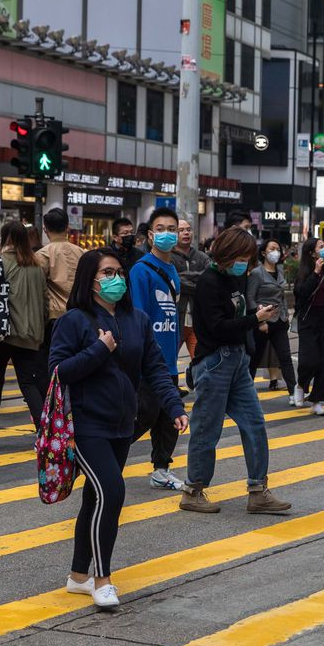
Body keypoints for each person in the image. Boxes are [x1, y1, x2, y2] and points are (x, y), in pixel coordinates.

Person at [51, 249, 187, 608]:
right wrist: (99, 349)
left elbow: (155, 367)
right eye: (107, 272)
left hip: (121, 424)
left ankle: (78, 576)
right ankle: (102, 579)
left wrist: (174, 406)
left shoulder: (136, 319)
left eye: (119, 272)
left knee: (95, 498)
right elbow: (59, 371)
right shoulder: (75, 320)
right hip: (85, 424)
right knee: (111, 492)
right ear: (90, 280)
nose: (116, 279)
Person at [179, 226, 290, 514]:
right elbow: (216, 328)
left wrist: (255, 320)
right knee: (207, 428)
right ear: (226, 254)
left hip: (238, 359)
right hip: (215, 360)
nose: (244, 263)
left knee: (254, 423)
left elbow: (237, 317)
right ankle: (193, 490)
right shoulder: (209, 282)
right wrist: (255, 319)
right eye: (240, 257)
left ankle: (258, 490)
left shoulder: (236, 278)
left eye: (247, 258)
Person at [0, 220, 48, 448]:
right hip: (30, 334)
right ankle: (42, 435)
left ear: (4, 238)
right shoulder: (37, 266)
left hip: (1, 332)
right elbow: (44, 302)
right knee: (28, 383)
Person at [129, 207, 185, 490]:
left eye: (172, 229)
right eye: (160, 229)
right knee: (144, 415)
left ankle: (161, 469)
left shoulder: (173, 269)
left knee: (168, 418)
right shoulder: (141, 270)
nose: (167, 234)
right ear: (150, 236)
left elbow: (173, 315)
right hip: (149, 361)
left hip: (169, 360)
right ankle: (99, 455)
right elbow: (138, 316)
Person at [293, 237, 324, 416]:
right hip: (307, 320)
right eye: (321, 247)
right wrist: (316, 273)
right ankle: (301, 384)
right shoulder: (304, 274)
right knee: (308, 360)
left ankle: (316, 400)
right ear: (312, 253)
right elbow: (302, 293)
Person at [247, 238, 296, 401]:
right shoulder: (256, 273)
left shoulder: (281, 271)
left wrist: (286, 315)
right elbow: (250, 298)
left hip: (280, 321)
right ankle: (245, 393)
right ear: (263, 253)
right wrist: (260, 321)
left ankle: (294, 393)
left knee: (285, 358)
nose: (276, 252)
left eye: (278, 249)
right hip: (262, 322)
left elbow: (282, 296)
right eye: (272, 249)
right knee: (254, 358)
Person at [37, 207, 85, 345]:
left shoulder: (42, 255)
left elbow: (39, 290)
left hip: (54, 317)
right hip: (80, 314)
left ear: (45, 229)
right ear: (68, 228)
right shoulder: (82, 253)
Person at [170, 218, 211, 360]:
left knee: (200, 362)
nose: (186, 233)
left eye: (188, 229)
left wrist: (182, 278)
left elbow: (208, 282)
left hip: (197, 321)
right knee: (168, 363)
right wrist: (198, 279)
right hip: (174, 320)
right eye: (180, 230)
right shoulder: (168, 257)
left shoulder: (202, 257)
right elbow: (173, 283)